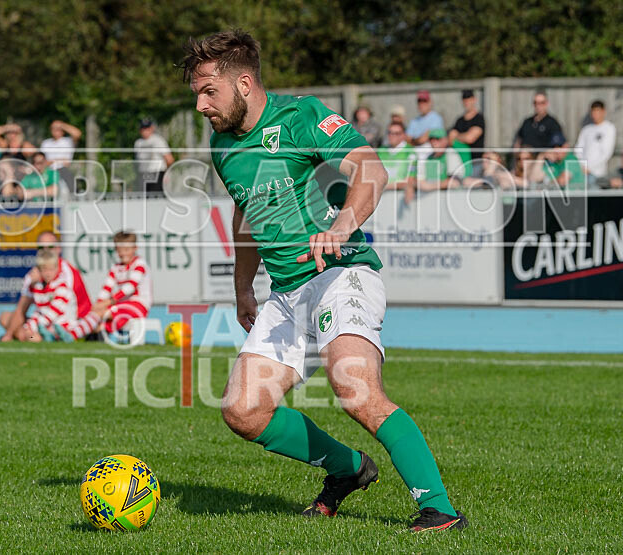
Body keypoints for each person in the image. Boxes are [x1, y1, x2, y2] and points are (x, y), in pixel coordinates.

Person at [181, 30, 467, 532]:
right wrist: (243, 287)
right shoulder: (222, 146)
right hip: (286, 294)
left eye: (209, 91)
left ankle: (439, 509)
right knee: (243, 411)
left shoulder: (300, 116)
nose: (201, 105)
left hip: (340, 273)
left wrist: (341, 225)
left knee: (355, 389)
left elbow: (371, 169)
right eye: (197, 94)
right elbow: (245, 214)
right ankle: (347, 470)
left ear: (244, 83)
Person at [0, 231, 93, 342]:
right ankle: (24, 336)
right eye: (41, 247)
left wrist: (34, 327)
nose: (46, 251)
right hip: (43, 323)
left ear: (59, 249)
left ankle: (29, 337)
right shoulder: (33, 276)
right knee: (5, 318)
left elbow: (58, 311)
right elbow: (21, 309)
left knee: (32, 335)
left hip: (66, 324)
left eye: (50, 247)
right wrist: (10, 334)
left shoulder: (67, 275)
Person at [83, 231, 152, 340]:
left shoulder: (139, 264)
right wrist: (99, 303)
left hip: (139, 305)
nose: (123, 253)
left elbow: (130, 287)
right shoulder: (116, 268)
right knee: (97, 311)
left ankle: (91, 332)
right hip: (122, 305)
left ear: (135, 248)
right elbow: (106, 288)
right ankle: (95, 334)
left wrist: (108, 302)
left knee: (106, 313)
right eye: (119, 250)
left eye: (126, 250)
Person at [14, 248, 86, 343]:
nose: (48, 273)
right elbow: (39, 311)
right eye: (44, 270)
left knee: (39, 336)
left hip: (64, 326)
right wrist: (29, 327)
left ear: (57, 268)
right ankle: (40, 338)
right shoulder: (38, 287)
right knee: (27, 335)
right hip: (45, 326)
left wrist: (37, 325)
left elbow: (52, 313)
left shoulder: (62, 287)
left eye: (51, 269)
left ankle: (54, 338)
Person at [574, 100, 616, 187]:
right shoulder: (586, 129)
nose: (595, 114)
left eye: (598, 111)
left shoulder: (609, 128)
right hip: (582, 173)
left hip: (598, 174)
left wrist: (590, 168)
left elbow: (607, 153)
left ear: (603, 112)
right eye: (593, 111)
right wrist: (582, 166)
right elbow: (578, 150)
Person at [377, 122, 417, 202]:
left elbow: (409, 181)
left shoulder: (409, 152)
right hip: (381, 197)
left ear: (403, 135)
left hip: (400, 197)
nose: (392, 136)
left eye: (396, 133)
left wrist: (384, 186)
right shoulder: (381, 151)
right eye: (390, 133)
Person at [417, 128, 465, 193]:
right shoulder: (428, 157)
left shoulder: (451, 154)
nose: (434, 142)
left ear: (446, 140)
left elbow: (454, 182)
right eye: (431, 139)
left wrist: (429, 186)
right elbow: (420, 180)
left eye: (437, 139)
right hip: (430, 197)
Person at [133, 118, 174, 193]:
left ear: (152, 128)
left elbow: (169, 159)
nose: (145, 131)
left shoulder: (158, 140)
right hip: (143, 174)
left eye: (147, 128)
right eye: (143, 128)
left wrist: (166, 174)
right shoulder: (138, 143)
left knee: (156, 199)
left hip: (157, 174)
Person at [449, 89, 485, 174]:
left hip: (476, 162)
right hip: (459, 162)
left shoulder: (479, 119)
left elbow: (470, 138)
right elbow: (450, 139)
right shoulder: (459, 120)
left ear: (474, 99)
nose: (467, 101)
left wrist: (457, 136)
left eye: (469, 98)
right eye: (464, 99)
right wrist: (462, 136)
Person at [407, 90, 445, 159]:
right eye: (420, 101)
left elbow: (424, 139)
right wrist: (417, 140)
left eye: (424, 101)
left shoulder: (436, 118)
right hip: (415, 150)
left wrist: (414, 140)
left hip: (429, 150)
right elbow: (407, 139)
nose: (422, 104)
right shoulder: (414, 121)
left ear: (430, 102)